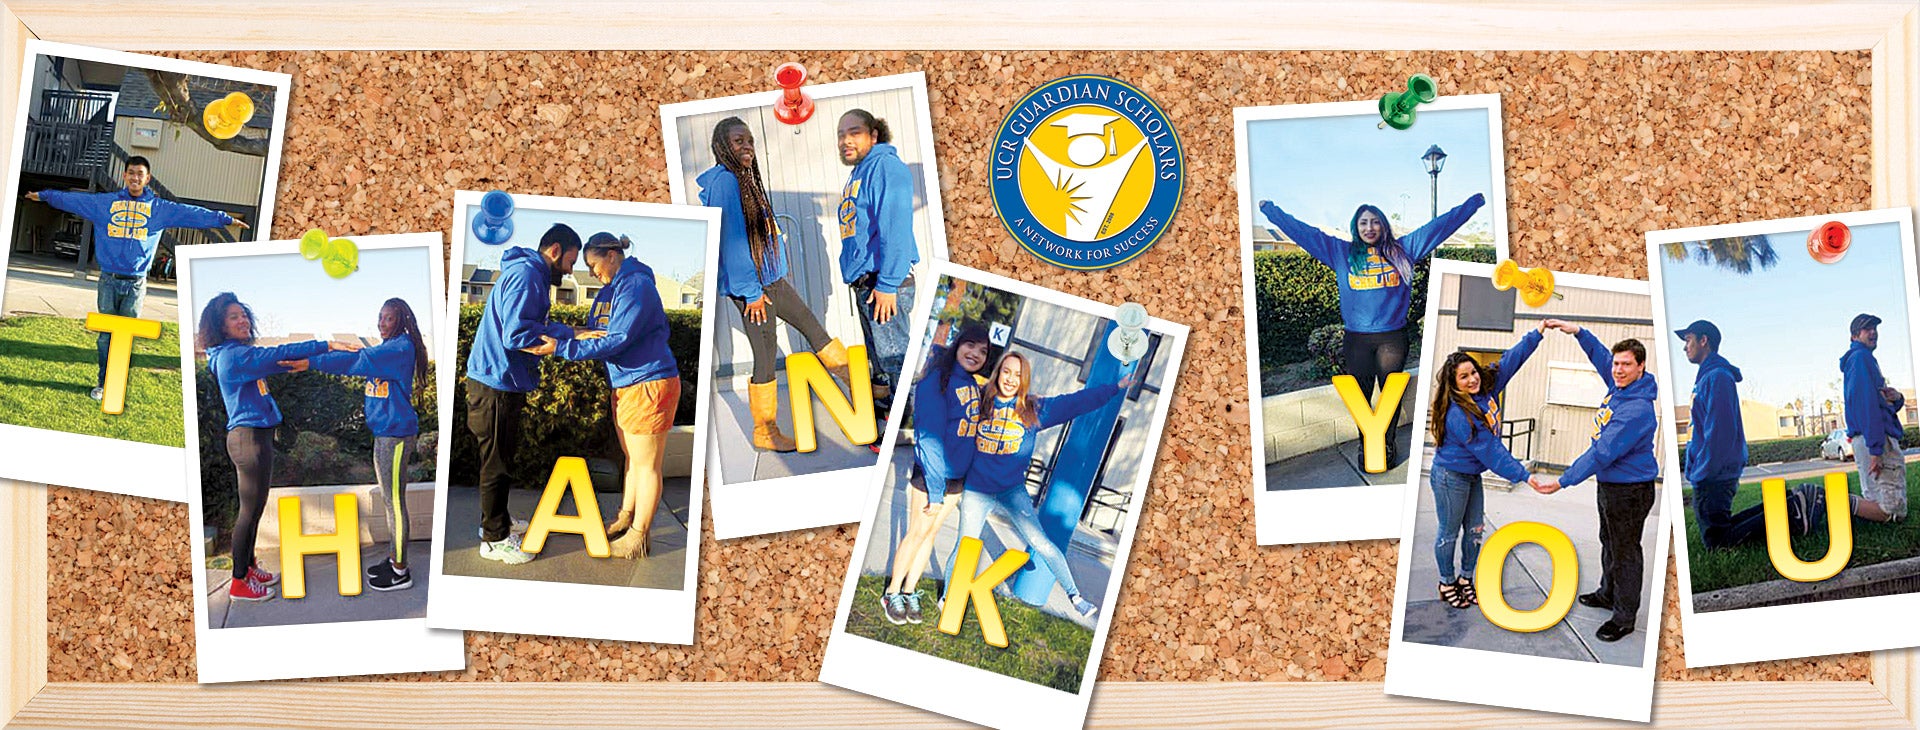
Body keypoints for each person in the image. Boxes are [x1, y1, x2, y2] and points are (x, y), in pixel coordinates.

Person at [1256, 193, 1486, 466]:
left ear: (1383, 226)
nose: (1369, 228)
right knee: (1361, 399)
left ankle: (1387, 447)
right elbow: (1304, 233)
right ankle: (1368, 446)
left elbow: (1440, 226)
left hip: (1392, 339)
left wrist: (1472, 204)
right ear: (1356, 227)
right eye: (1363, 223)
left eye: (1375, 222)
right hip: (1357, 340)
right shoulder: (1340, 252)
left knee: (1390, 397)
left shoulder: (1404, 249)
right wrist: (1271, 211)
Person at [27, 156, 248, 400]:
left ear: (147, 178)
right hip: (108, 281)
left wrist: (224, 219)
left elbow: (192, 214)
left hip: (135, 284)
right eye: (131, 173)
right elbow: (73, 200)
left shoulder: (159, 209)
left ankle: (115, 386)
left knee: (124, 337)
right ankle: (103, 383)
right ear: (124, 175)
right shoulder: (105, 204)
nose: (135, 178)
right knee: (105, 337)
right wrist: (45, 195)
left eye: (140, 174)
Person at [698, 117, 856, 452]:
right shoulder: (725, 183)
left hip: (770, 280)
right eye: (739, 141)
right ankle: (765, 430)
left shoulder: (741, 179)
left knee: (812, 327)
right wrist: (752, 294)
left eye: (750, 141)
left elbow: (759, 232)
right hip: (754, 289)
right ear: (722, 147)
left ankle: (859, 388)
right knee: (766, 355)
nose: (747, 147)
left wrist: (778, 266)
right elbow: (732, 243)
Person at [942, 352, 1133, 620]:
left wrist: (1115, 388)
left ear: (1024, 380)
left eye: (1017, 375)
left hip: (1011, 492)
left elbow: (1076, 402)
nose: (1010, 379)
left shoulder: (1033, 409)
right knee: (965, 546)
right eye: (1006, 372)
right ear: (998, 373)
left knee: (1041, 542)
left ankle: (1075, 596)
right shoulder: (979, 402)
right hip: (977, 490)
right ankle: (948, 597)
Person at [526, 233, 681, 559]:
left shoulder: (636, 286)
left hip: (648, 382)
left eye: (594, 265)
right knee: (633, 460)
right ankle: (627, 518)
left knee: (647, 465)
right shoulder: (611, 291)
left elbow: (618, 338)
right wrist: (571, 334)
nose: (592, 272)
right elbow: (595, 330)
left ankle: (639, 536)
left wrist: (563, 347)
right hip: (625, 384)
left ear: (612, 255)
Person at [197, 292, 356, 603]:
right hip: (249, 440)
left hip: (255, 437)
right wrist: (326, 344)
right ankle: (239, 582)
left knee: (254, 512)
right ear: (220, 325)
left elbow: (279, 362)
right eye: (233, 317)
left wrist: (299, 363)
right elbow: (278, 353)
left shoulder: (237, 354)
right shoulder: (233, 357)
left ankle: (249, 567)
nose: (242, 320)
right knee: (248, 513)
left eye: (243, 314)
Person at [1530, 322, 1659, 643]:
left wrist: (1563, 480)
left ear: (1641, 366)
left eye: (1626, 364)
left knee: (1626, 551)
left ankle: (1624, 616)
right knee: (1608, 541)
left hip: (1630, 490)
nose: (1618, 369)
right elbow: (1601, 357)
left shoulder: (1637, 409)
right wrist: (1578, 332)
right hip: (1611, 485)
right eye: (1617, 363)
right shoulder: (1622, 386)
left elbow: (1602, 453)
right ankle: (1607, 593)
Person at [292, 298, 428, 591]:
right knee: (391, 501)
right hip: (385, 433)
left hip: (395, 435)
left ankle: (401, 570)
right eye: (380, 317)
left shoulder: (399, 348)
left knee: (394, 503)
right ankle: (395, 559)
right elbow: (365, 356)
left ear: (401, 321)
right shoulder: (388, 349)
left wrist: (311, 362)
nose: (381, 323)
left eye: (388, 318)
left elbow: (357, 362)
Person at [465, 223, 581, 565]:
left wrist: (571, 330)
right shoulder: (529, 275)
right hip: (496, 384)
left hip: (501, 381)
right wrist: (563, 346)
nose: (571, 270)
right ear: (556, 250)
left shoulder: (528, 273)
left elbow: (530, 325)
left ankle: (497, 521)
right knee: (495, 465)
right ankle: (493, 539)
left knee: (500, 461)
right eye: (571, 261)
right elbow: (517, 336)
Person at [880, 284, 990, 625]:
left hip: (956, 481)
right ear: (959, 344)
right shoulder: (936, 381)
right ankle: (892, 593)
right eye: (970, 344)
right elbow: (927, 440)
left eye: (983, 350)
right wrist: (938, 490)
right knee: (916, 533)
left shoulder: (973, 385)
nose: (975, 353)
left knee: (929, 536)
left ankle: (911, 592)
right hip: (931, 479)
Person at [1425, 323, 1545, 609]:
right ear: (1454, 384)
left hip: (1471, 476)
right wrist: (1524, 476)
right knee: (1449, 533)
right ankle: (1446, 581)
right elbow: (1492, 451)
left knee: (1476, 529)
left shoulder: (1486, 389)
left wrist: (1537, 334)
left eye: (1473, 373)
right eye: (1463, 377)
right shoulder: (1458, 415)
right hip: (1449, 477)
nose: (1472, 379)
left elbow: (1509, 362)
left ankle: (1466, 579)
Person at [837, 109, 920, 413]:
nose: (846, 140)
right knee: (882, 360)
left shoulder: (885, 167)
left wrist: (887, 283)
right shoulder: (860, 171)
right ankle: (891, 413)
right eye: (841, 134)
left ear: (874, 135)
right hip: (868, 283)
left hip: (884, 283)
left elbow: (895, 228)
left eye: (854, 132)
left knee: (897, 359)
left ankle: (909, 424)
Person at [1676, 320, 1765, 549]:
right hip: (1710, 472)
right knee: (1719, 530)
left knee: (1717, 542)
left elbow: (1720, 432)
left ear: (1703, 340)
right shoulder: (1707, 377)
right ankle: (1783, 507)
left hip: (1713, 474)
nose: (1685, 347)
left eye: (1688, 340)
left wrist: (1703, 471)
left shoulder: (1717, 377)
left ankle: (1791, 510)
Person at [1841, 313, 1907, 524]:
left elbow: (1877, 403)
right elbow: (1866, 406)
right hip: (1875, 439)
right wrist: (1876, 450)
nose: (1873, 332)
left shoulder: (1860, 360)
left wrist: (1897, 399)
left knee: (1876, 499)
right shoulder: (1861, 359)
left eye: (1875, 328)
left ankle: (1840, 505)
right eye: (1866, 329)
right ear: (1854, 336)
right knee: (1893, 510)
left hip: (1868, 438)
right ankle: (1834, 502)